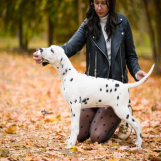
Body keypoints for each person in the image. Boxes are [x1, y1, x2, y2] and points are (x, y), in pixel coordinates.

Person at [33, 0, 148, 143]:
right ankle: (100, 116)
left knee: (97, 136)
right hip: (90, 90)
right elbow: (69, 48)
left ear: (110, 3)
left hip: (113, 91)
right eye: (96, 3)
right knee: (81, 136)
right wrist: (44, 57)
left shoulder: (123, 23)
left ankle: (124, 113)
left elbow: (131, 55)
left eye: (103, 3)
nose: (99, 7)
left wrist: (136, 71)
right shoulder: (88, 24)